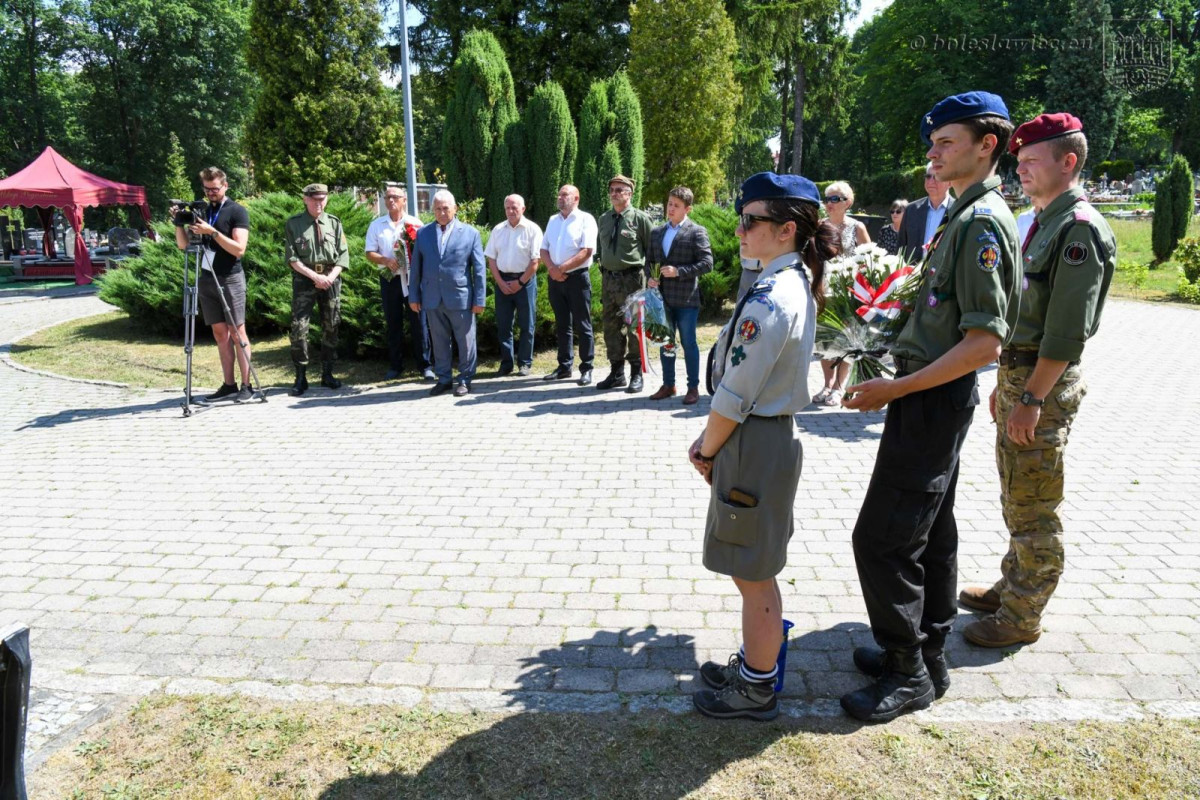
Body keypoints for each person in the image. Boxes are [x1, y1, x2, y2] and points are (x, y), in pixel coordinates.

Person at [840, 91, 1021, 723]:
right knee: (930, 528)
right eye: (933, 141)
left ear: (986, 145)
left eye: (947, 141)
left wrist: (892, 389)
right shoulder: (961, 213)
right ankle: (929, 651)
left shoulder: (981, 221)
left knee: (882, 538)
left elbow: (983, 342)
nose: (934, 151)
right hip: (925, 392)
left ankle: (906, 669)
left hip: (931, 397)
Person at [958, 113, 1116, 648]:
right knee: (1015, 493)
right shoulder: (1045, 221)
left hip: (1041, 383)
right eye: (1018, 161)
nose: (1020, 170)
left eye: (1030, 161)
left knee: (1035, 504)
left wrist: (1030, 399)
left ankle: (1023, 615)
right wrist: (1009, 390)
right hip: (1020, 377)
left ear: (1067, 162)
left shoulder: (1079, 231)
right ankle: (1014, 584)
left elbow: (1066, 334)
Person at [689, 172, 833, 720]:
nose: (741, 229)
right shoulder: (783, 279)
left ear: (786, 229)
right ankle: (756, 663)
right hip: (760, 439)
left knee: (752, 573)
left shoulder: (775, 295)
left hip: (754, 439)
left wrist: (706, 447)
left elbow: (735, 392)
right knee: (752, 566)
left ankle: (756, 686)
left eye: (751, 220)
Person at [174, 167, 253, 403]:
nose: (211, 193)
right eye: (207, 189)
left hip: (230, 277)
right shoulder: (203, 211)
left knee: (238, 333)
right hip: (207, 277)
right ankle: (229, 385)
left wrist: (213, 232)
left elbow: (239, 249)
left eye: (215, 189)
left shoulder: (237, 211)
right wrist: (179, 222)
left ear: (225, 186)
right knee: (220, 333)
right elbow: (183, 246)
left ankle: (247, 386)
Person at [409, 189, 486, 397]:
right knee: (439, 341)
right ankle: (443, 379)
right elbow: (416, 267)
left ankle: (465, 379)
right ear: (432, 210)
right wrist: (414, 296)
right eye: (437, 209)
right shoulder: (423, 233)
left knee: (465, 341)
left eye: (445, 208)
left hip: (460, 298)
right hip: (432, 298)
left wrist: (479, 299)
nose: (442, 212)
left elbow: (479, 270)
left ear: (455, 209)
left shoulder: (471, 234)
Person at [647, 185, 713, 405]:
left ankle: (693, 387)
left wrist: (679, 272)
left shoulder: (696, 231)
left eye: (676, 205)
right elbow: (650, 262)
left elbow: (707, 263)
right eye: (669, 204)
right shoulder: (657, 232)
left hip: (686, 300)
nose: (670, 208)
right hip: (662, 300)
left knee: (689, 343)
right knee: (666, 343)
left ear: (688, 209)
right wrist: (650, 277)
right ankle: (668, 384)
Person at [285, 183, 349, 396]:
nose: (318, 203)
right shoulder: (294, 224)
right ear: (305, 199)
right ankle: (300, 377)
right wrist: (315, 277)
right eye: (314, 199)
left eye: (322, 199)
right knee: (299, 327)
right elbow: (292, 258)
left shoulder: (334, 223)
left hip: (330, 279)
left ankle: (327, 374)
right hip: (305, 279)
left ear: (327, 199)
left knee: (332, 325)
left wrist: (329, 277)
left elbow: (342, 255)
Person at [365, 186, 434, 381]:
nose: (391, 200)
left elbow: (424, 252)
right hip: (389, 279)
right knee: (393, 322)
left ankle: (425, 366)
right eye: (387, 197)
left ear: (404, 199)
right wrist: (385, 260)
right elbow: (369, 252)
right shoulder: (377, 225)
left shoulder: (415, 223)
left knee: (419, 323)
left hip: (413, 281)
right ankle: (396, 366)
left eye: (395, 197)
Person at [813, 181, 870, 407]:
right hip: (824, 291)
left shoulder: (857, 228)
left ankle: (839, 387)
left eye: (835, 199)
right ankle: (827, 384)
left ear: (847, 202)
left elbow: (870, 258)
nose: (829, 204)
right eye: (827, 199)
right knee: (825, 340)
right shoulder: (820, 226)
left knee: (845, 341)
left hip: (848, 293)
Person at [594, 175, 653, 392]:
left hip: (632, 280)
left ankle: (636, 374)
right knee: (610, 326)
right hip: (609, 279)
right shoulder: (604, 219)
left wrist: (653, 281)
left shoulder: (640, 219)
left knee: (634, 328)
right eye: (611, 190)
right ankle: (616, 372)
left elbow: (651, 252)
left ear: (629, 193)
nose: (614, 193)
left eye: (619, 190)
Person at [541, 184, 598, 385]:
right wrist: (552, 270)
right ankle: (564, 366)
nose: (560, 197)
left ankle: (587, 368)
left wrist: (561, 269)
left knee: (583, 324)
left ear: (576, 198)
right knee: (562, 324)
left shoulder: (586, 219)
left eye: (565, 194)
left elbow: (586, 251)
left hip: (577, 279)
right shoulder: (552, 220)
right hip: (556, 280)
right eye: (559, 194)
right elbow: (543, 249)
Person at [485, 194, 543, 377]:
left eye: (514, 208)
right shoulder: (498, 229)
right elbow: (491, 259)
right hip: (502, 282)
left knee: (527, 324)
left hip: (524, 283)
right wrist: (500, 282)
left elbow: (535, 262)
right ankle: (506, 363)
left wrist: (519, 283)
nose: (510, 211)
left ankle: (525, 363)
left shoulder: (533, 229)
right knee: (503, 325)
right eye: (508, 208)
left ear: (523, 209)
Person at [896, 164, 953, 264]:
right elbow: (901, 246)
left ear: (950, 182)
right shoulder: (911, 210)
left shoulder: (958, 210)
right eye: (928, 176)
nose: (931, 181)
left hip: (945, 275)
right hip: (913, 275)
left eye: (936, 177)